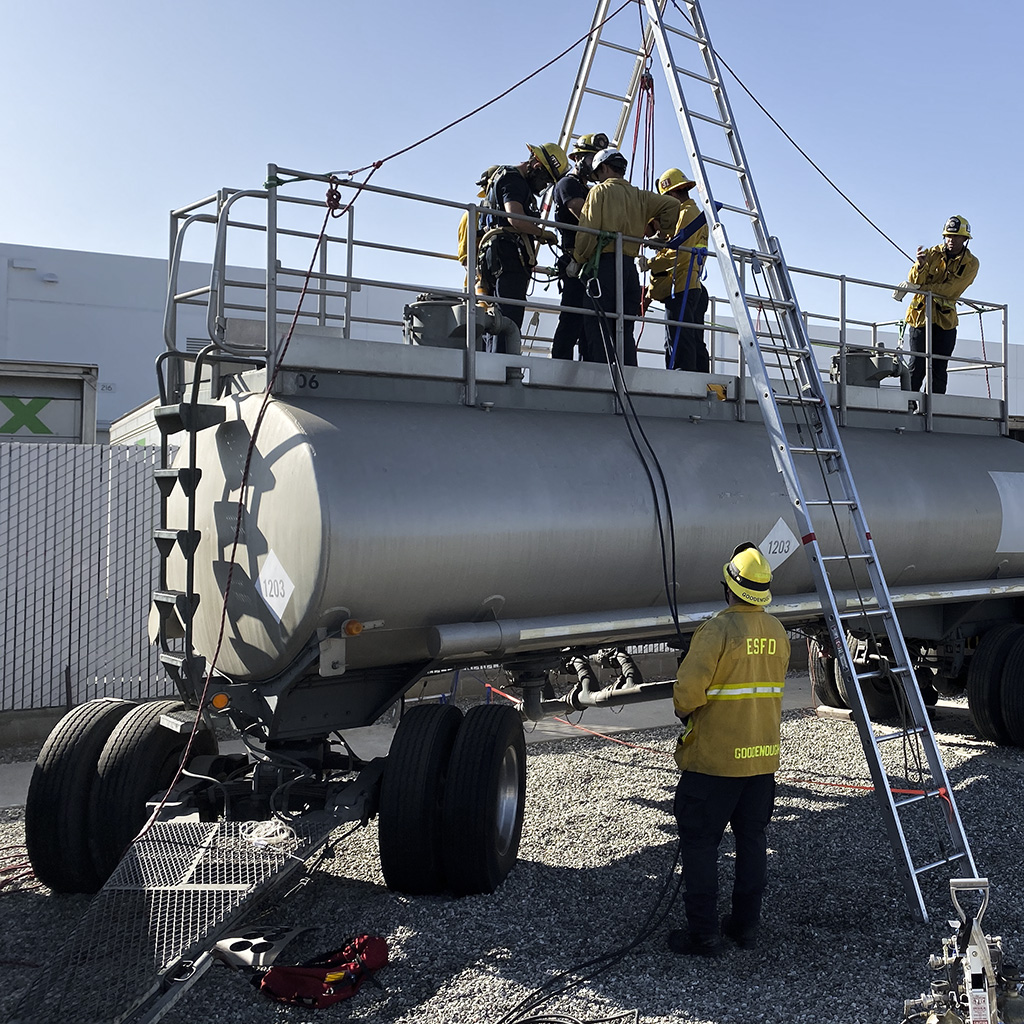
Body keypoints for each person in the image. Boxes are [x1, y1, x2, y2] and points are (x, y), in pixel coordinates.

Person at [668, 543, 790, 957]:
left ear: (729, 589)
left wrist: (687, 710)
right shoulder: (777, 632)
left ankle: (703, 935)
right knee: (752, 842)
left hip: (715, 764)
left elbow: (687, 695)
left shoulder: (717, 630)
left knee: (701, 846)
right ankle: (745, 928)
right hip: (761, 763)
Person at [570, 148, 680, 365]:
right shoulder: (640, 195)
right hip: (629, 271)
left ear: (603, 168)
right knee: (625, 329)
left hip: (604, 268)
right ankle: (629, 378)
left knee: (599, 328)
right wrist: (661, 235)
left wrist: (578, 259)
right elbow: (672, 205)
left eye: (598, 173)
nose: (597, 178)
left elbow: (587, 233)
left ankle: (603, 383)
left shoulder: (599, 192)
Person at [478, 143, 568, 338]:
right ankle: (504, 364)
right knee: (508, 318)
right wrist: (542, 233)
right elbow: (516, 218)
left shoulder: (503, 177)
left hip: (496, 255)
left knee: (497, 317)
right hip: (508, 254)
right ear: (536, 166)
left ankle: (494, 362)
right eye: (546, 179)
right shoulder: (514, 180)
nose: (544, 185)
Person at [894, 215, 979, 395]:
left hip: (945, 322)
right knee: (916, 365)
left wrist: (921, 287)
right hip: (919, 318)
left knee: (939, 368)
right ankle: (908, 405)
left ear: (965, 239)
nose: (951, 240)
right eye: (948, 235)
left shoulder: (971, 263)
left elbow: (951, 290)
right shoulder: (931, 253)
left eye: (955, 236)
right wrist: (920, 265)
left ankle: (934, 409)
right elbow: (913, 280)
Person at [644, 167, 710, 372]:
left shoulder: (686, 214)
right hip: (690, 284)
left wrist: (649, 264)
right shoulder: (691, 213)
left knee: (679, 340)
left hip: (681, 286)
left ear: (671, 194)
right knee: (691, 339)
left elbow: (678, 253)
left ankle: (682, 380)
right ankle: (700, 381)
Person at [550, 133, 608, 360]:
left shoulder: (592, 190)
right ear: (579, 158)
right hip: (574, 260)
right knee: (572, 317)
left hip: (591, 262)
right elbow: (585, 217)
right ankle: (559, 366)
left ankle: (588, 370)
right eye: (591, 158)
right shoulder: (568, 185)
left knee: (590, 322)